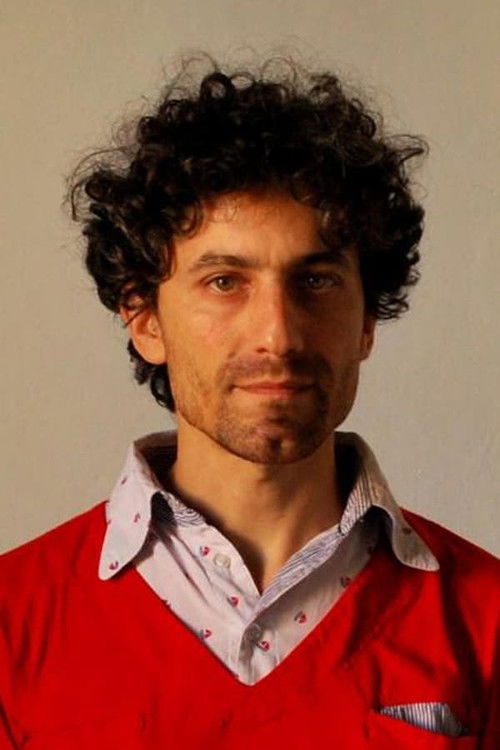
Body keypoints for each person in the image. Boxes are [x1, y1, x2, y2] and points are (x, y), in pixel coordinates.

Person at [1, 57, 498, 749]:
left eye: (316, 281)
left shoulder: (486, 622)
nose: (278, 334)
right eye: (225, 281)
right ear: (145, 319)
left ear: (367, 322)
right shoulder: (12, 622)